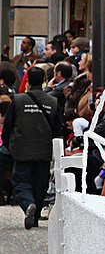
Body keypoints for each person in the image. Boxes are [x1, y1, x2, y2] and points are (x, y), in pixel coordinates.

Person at [1, 66, 61, 228]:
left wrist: (10, 146)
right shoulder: (53, 102)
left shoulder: (18, 100)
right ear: (43, 81)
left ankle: (28, 204)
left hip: (22, 150)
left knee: (20, 181)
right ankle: (34, 217)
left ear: (27, 81)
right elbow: (57, 130)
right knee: (40, 184)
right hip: (44, 151)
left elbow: (7, 127)